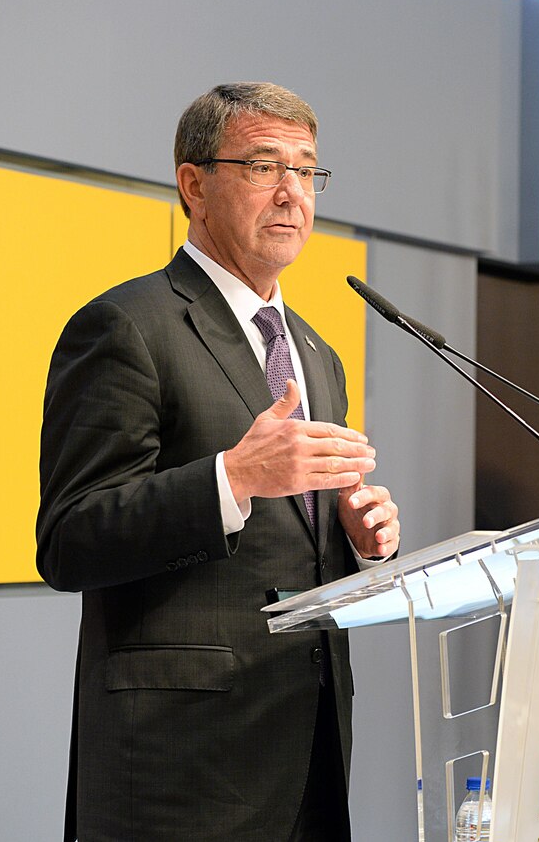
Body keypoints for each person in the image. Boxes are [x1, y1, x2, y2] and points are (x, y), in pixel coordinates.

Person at [36, 82, 400, 841]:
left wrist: (359, 544)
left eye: (306, 171)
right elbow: (69, 537)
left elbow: (290, 550)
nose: (292, 194)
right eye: (265, 166)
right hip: (179, 767)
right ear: (193, 185)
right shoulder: (126, 326)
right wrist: (230, 479)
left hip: (306, 751)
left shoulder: (317, 353)